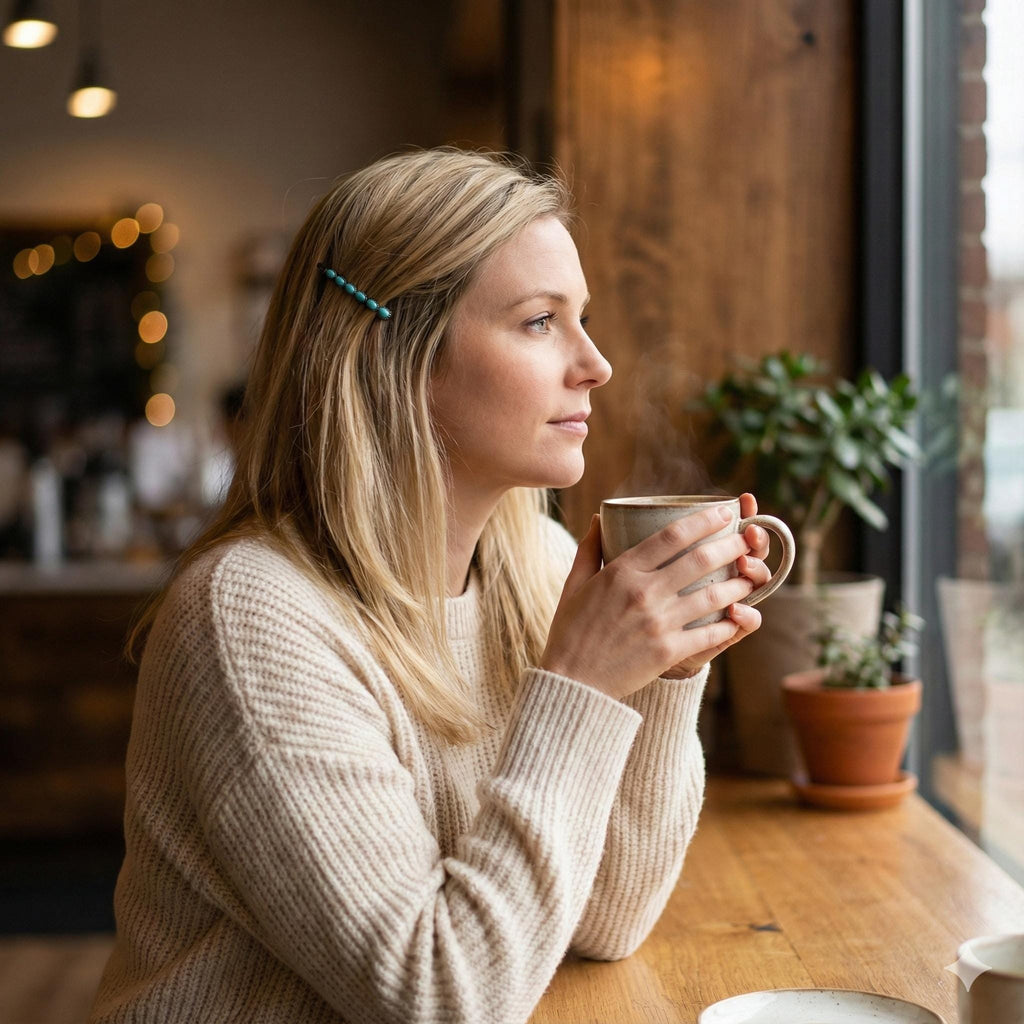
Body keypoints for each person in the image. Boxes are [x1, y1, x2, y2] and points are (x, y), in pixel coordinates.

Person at [89, 147, 771, 1024]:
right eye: (540, 322)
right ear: (395, 353)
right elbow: (443, 1000)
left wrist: (662, 675)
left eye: (584, 319)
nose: (596, 364)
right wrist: (584, 684)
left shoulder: (540, 566)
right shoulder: (253, 618)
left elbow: (602, 921)